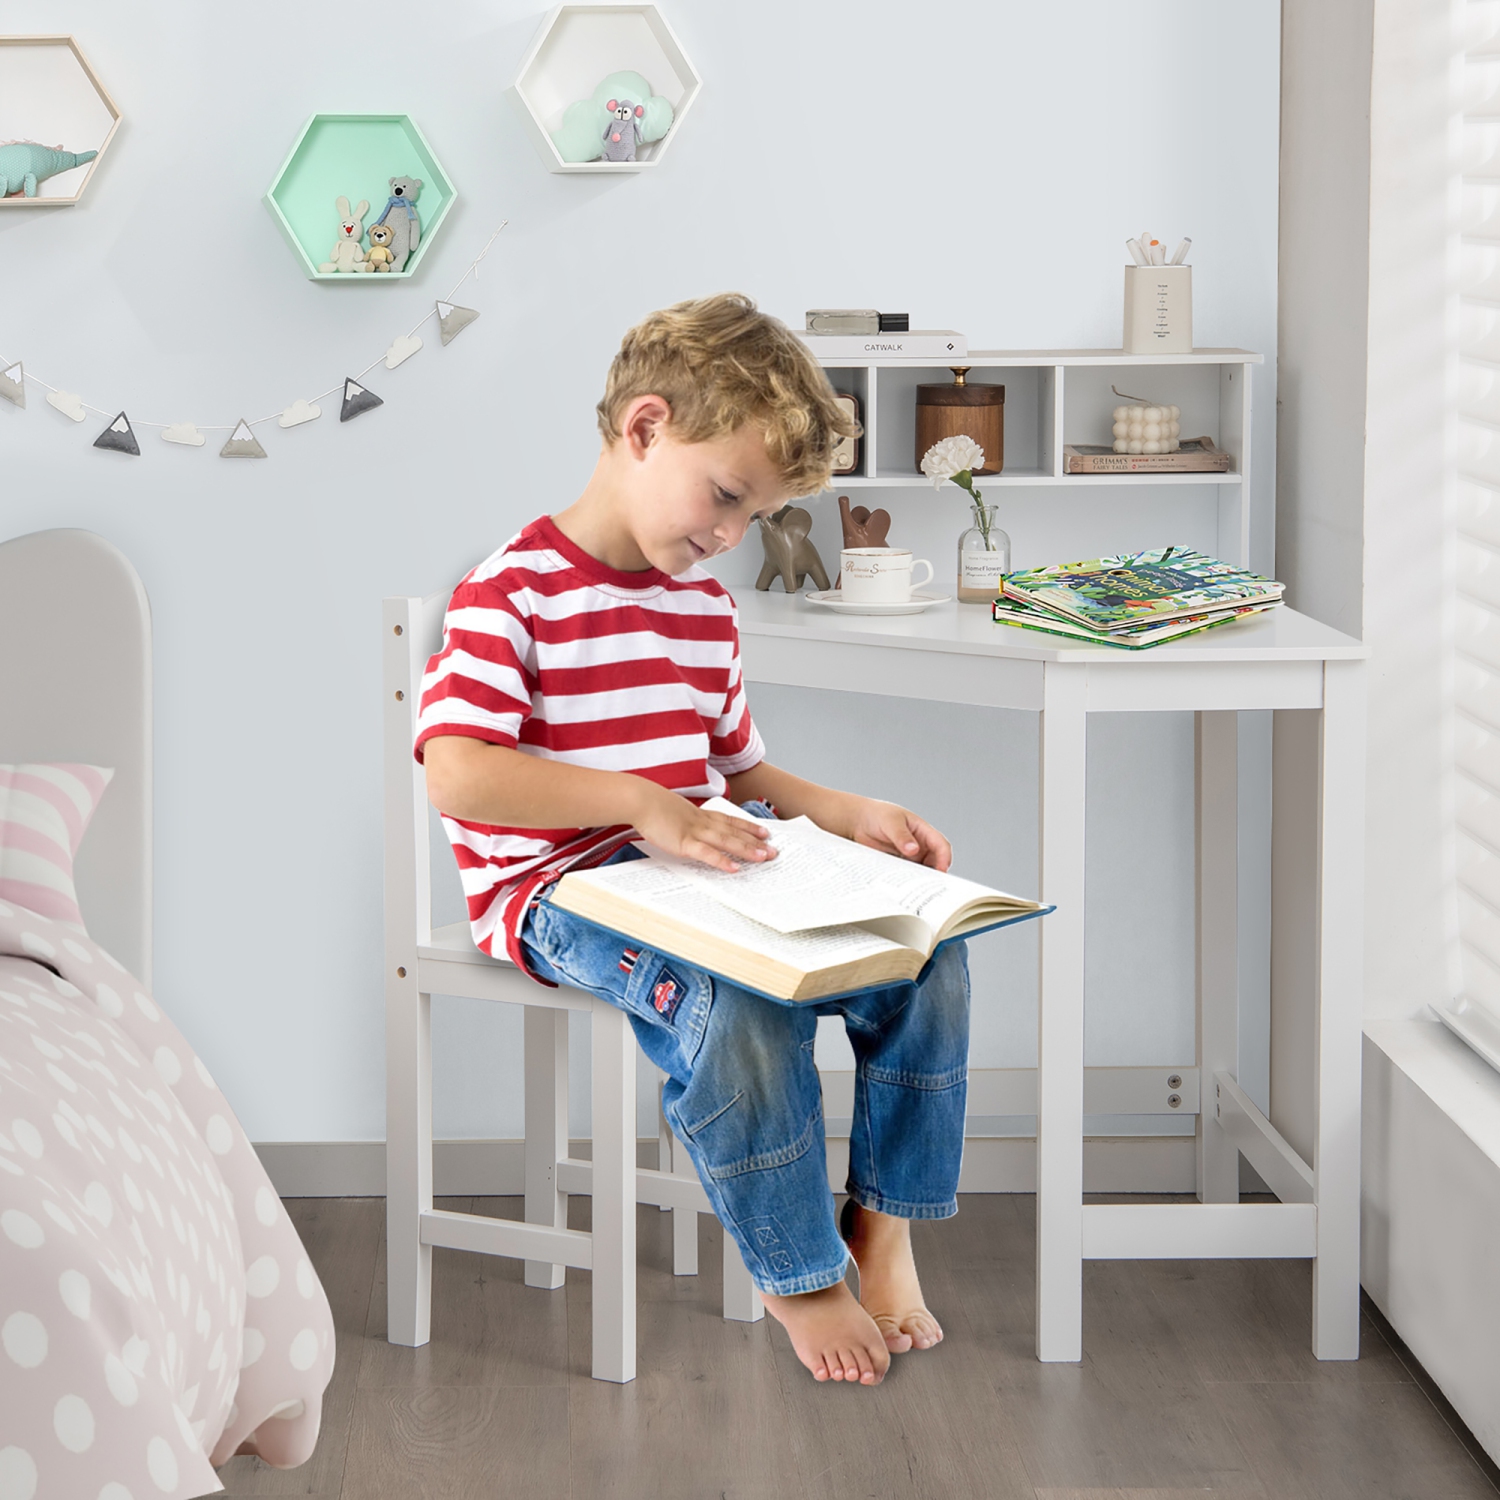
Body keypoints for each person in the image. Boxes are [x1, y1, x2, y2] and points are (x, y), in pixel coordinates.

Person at [415, 292, 971, 1387]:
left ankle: (884, 1222)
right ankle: (798, 1272)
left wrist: (848, 811)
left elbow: (741, 770)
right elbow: (458, 766)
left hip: (704, 860)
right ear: (643, 427)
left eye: (752, 515)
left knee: (930, 953)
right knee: (743, 1002)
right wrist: (636, 805)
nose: (727, 533)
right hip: (561, 888)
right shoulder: (509, 593)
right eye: (725, 495)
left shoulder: (701, 609)